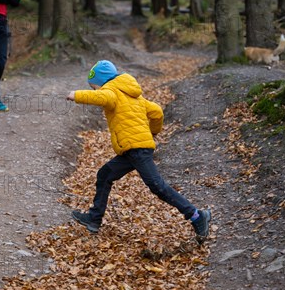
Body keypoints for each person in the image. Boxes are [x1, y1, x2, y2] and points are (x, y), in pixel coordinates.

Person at [66, 60, 211, 243]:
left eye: (94, 87)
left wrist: (76, 95)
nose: (95, 91)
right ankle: (94, 219)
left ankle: (197, 216)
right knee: (105, 175)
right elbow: (157, 112)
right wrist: (153, 132)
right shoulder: (134, 95)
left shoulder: (111, 92)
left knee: (157, 186)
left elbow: (103, 98)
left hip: (136, 149)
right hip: (132, 149)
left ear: (101, 82)